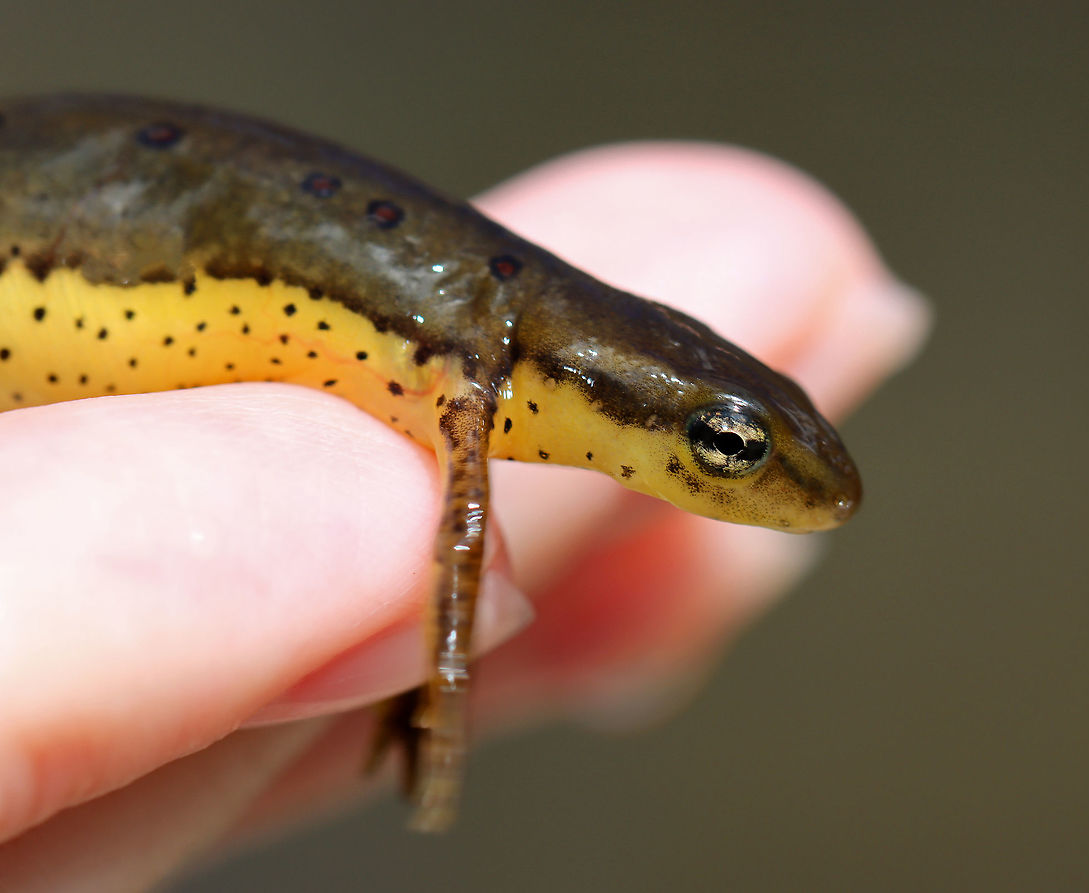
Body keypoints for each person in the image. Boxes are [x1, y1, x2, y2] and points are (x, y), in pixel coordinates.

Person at [0, 142, 929, 888]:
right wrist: (437, 686)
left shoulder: (484, 375)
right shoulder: (476, 372)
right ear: (580, 385)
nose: (730, 474)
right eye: (724, 449)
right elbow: (458, 547)